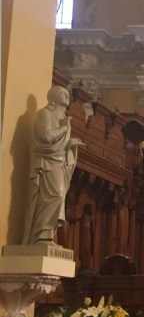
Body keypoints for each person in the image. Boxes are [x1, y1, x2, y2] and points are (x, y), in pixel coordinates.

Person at [22, 86, 82, 245]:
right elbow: (46, 136)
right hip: (48, 162)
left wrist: (70, 144)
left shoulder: (64, 117)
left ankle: (47, 236)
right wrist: (63, 127)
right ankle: (40, 235)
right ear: (53, 98)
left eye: (68, 94)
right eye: (63, 93)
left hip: (59, 161)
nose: (67, 95)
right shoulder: (45, 114)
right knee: (55, 195)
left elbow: (60, 145)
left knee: (59, 197)